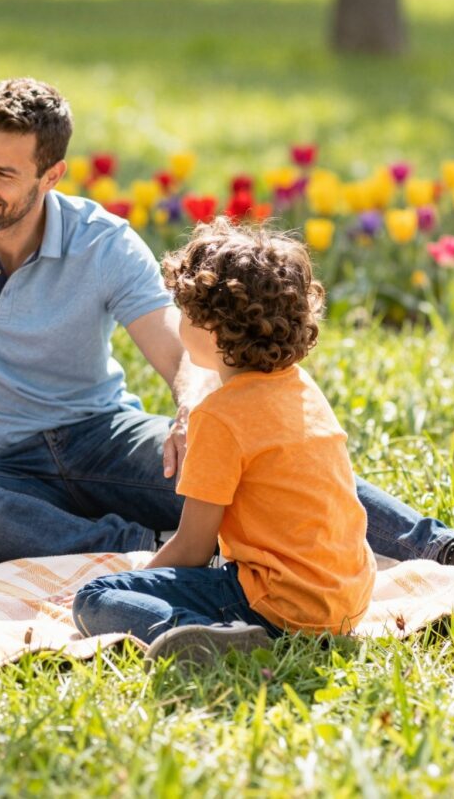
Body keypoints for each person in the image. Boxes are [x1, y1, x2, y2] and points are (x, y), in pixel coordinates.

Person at [0, 77, 454, 572]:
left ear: (52, 174)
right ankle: (147, 548)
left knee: (259, 458)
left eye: (3, 172)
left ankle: (446, 546)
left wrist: (193, 413)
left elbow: (180, 351)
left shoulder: (103, 241)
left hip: (105, 437)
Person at [73, 220, 377, 664]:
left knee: (94, 597)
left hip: (279, 606)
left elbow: (194, 549)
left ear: (211, 328)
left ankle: (204, 636)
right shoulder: (300, 385)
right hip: (346, 600)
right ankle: (230, 628)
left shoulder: (218, 415)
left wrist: (141, 580)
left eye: (185, 313)